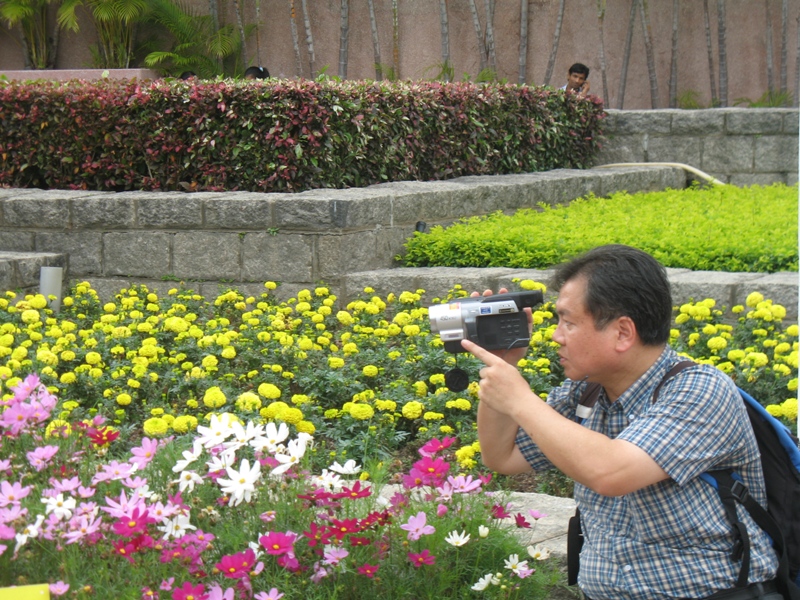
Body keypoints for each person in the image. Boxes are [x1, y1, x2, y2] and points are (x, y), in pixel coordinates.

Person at [462, 244, 781, 600]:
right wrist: (503, 362)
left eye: (568, 322)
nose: (555, 336)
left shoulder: (700, 390)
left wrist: (521, 399)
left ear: (623, 332)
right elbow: (501, 456)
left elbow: (611, 473)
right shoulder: (584, 394)